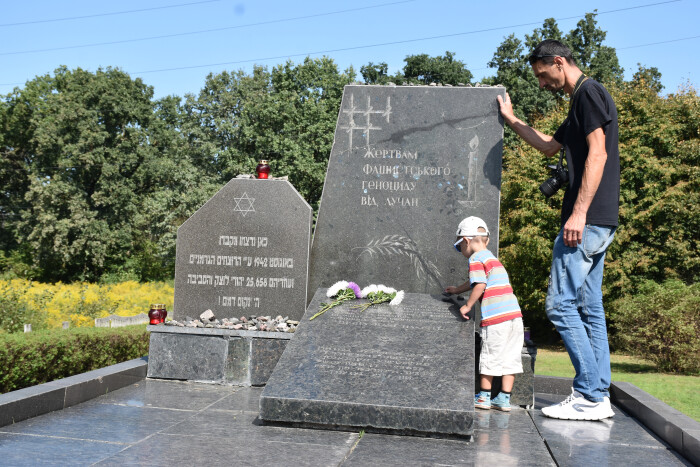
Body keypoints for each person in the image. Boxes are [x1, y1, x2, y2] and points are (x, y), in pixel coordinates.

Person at [496, 39, 619, 420]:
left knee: (560, 305)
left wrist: (578, 213)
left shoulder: (588, 93)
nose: (541, 82)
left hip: (588, 219)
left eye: (542, 74)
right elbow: (550, 147)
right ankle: (598, 394)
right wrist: (512, 120)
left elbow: (598, 154)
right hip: (600, 220)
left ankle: (588, 395)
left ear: (559, 62)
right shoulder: (581, 99)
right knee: (588, 306)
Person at [445, 216, 523, 412]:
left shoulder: (475, 258)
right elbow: (474, 281)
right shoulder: (492, 258)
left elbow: (480, 284)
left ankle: (484, 396)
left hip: (495, 319)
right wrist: (457, 290)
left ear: (466, 241)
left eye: (459, 247)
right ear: (486, 240)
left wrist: (468, 305)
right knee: (510, 357)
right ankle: (504, 398)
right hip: (514, 317)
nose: (461, 252)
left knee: (490, 357)